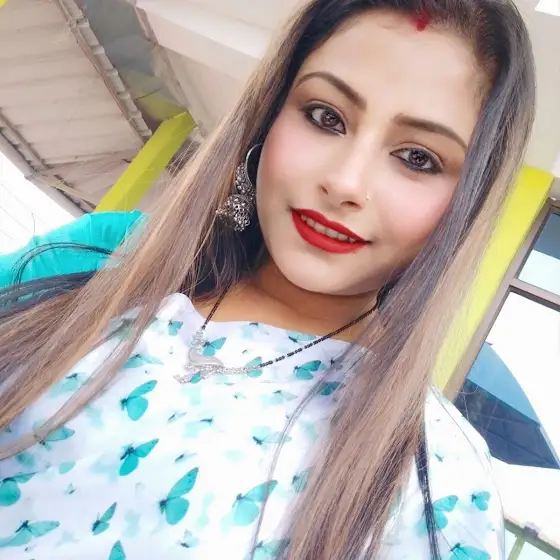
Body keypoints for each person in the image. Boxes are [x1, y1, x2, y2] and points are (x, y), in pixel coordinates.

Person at [0, 0, 535, 558]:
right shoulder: (100, 257)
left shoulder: (435, 483)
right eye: (326, 116)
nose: (345, 182)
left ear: (464, 206)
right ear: (270, 115)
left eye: (418, 158)